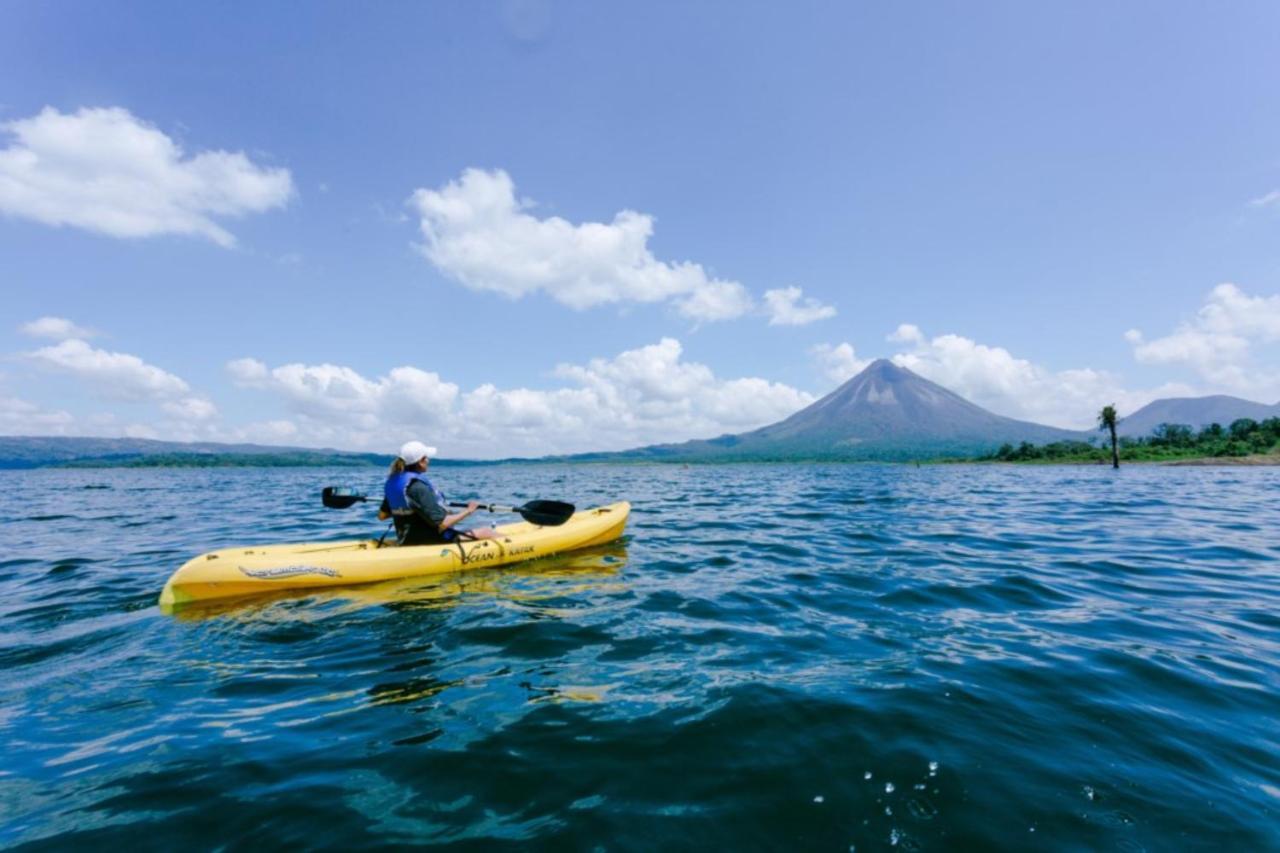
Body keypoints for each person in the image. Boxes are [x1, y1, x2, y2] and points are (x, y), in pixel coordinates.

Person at [379, 440, 498, 545]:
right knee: (486, 532)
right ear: (421, 462)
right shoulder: (418, 487)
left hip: (405, 539)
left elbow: (382, 516)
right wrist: (469, 510)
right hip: (431, 541)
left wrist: (407, 510)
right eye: (426, 458)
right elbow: (442, 524)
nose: (428, 460)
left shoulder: (394, 484)